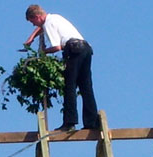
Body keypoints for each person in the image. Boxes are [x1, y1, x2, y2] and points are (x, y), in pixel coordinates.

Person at [24, 4, 100, 132]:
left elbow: (57, 47)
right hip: (86, 49)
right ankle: (91, 122)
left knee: (69, 86)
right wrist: (31, 38)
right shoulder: (55, 17)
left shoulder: (48, 24)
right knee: (85, 87)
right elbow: (41, 26)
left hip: (73, 50)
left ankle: (69, 123)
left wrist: (44, 52)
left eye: (33, 22)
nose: (34, 25)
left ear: (37, 16)